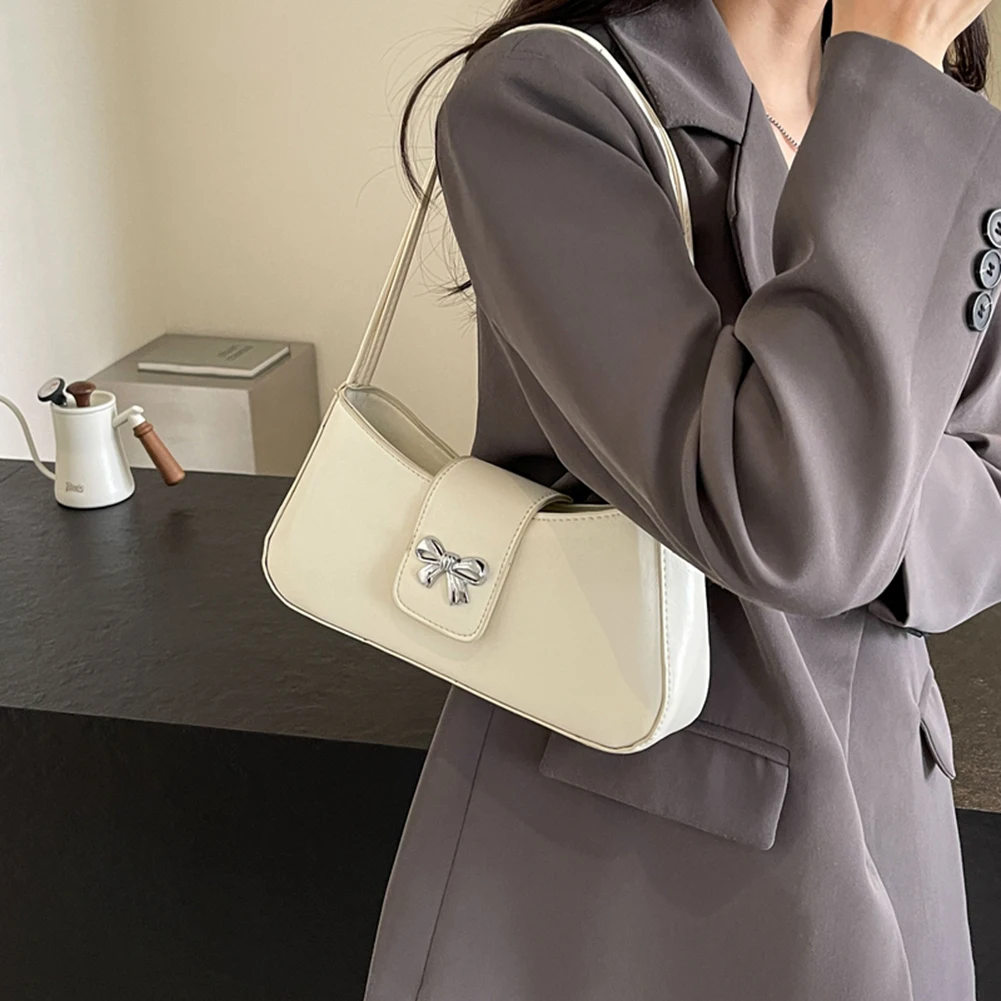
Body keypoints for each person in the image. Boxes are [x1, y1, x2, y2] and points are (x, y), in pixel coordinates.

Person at [364, 1, 999, 998]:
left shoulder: (935, 115)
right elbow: (789, 515)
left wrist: (838, 494)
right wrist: (888, 80)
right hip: (642, 853)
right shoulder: (544, 98)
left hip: (894, 790)